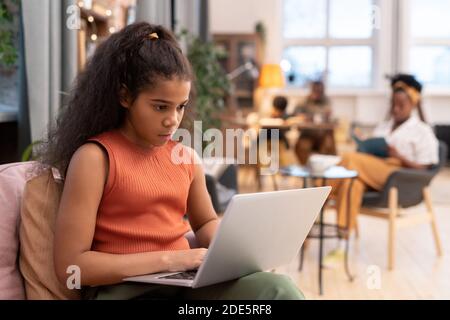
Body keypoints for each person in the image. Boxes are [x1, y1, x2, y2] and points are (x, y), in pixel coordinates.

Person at [36, 22, 303, 300]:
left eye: (180, 107)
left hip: (182, 285)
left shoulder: (185, 157)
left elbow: (205, 223)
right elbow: (70, 267)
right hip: (126, 290)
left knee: (278, 290)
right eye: (160, 106)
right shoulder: (95, 158)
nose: (172, 120)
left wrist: (236, 256)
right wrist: (172, 260)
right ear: (125, 96)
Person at [324, 74, 439, 262]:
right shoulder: (384, 127)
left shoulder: (422, 131)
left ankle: (317, 198)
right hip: (371, 171)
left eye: (401, 105)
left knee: (351, 160)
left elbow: (425, 168)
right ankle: (342, 245)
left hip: (398, 175)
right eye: (393, 104)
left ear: (413, 104)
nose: (396, 109)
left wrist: (400, 157)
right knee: (351, 183)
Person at [293, 80, 335, 165]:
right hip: (307, 134)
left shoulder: (326, 100)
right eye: (315, 90)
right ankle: (306, 171)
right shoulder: (304, 101)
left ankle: (324, 172)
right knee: (302, 147)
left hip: (322, 135)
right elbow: (295, 113)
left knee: (328, 146)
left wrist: (326, 115)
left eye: (320, 90)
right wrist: (302, 116)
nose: (318, 92)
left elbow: (329, 114)